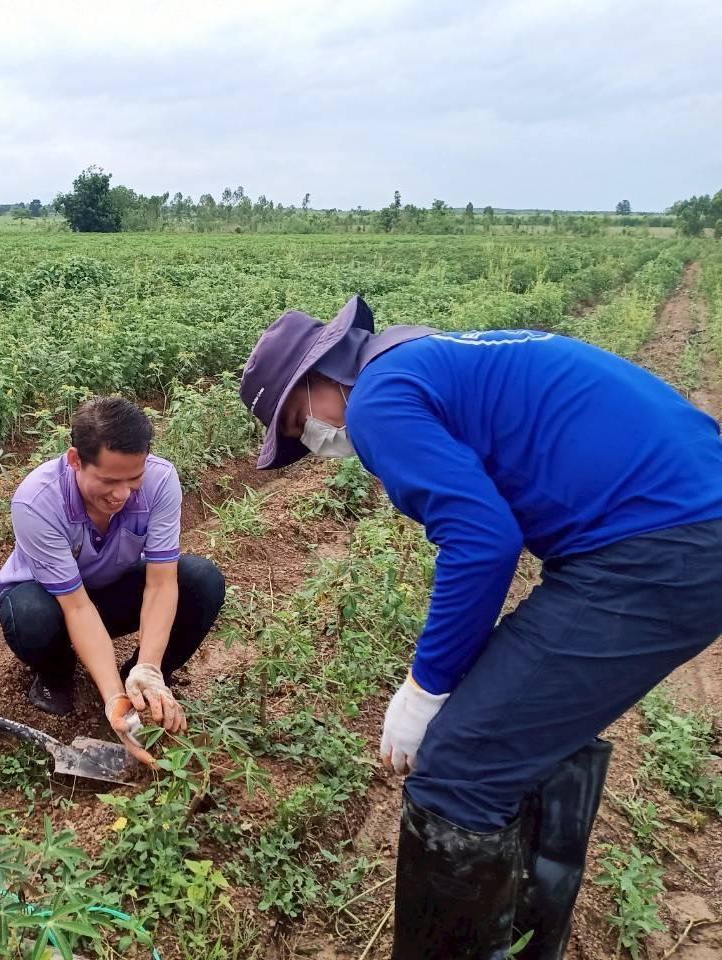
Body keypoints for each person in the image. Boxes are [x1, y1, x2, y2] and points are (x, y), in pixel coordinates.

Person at [240, 296, 722, 959]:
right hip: (678, 519)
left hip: (656, 550)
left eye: (301, 421)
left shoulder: (378, 398)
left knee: (457, 770)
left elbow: (483, 540)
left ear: (322, 376)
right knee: (507, 733)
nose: (315, 441)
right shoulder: (426, 358)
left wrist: (426, 688)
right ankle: (524, 941)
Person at [0, 397, 227, 762]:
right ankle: (57, 675)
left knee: (200, 580)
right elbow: (76, 606)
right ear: (75, 461)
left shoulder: (161, 481)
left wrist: (147, 669)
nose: (121, 494)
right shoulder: (36, 502)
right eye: (108, 481)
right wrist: (114, 699)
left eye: (133, 479)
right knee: (30, 616)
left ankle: (147, 684)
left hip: (111, 591)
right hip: (56, 602)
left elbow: (161, 583)